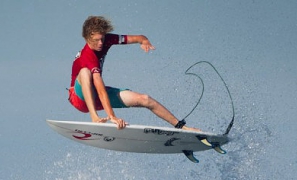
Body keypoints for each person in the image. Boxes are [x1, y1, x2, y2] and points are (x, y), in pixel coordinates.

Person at [68, 16, 200, 131]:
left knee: (145, 99)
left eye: (102, 38)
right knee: (85, 72)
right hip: (79, 98)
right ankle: (94, 117)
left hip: (96, 95)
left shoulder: (107, 40)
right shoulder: (87, 56)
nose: (101, 43)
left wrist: (144, 40)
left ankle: (181, 127)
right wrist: (112, 116)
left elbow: (137, 38)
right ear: (86, 38)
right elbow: (100, 87)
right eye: (96, 40)